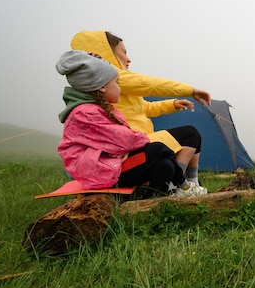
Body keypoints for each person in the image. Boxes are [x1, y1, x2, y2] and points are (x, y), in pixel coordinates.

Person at [70, 30, 209, 193]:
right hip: (128, 146)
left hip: (136, 141)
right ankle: (180, 186)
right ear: (107, 52)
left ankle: (187, 185)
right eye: (124, 52)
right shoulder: (111, 77)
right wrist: (188, 90)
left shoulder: (113, 80)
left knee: (174, 154)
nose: (129, 59)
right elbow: (150, 84)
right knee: (190, 134)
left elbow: (144, 108)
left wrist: (173, 104)